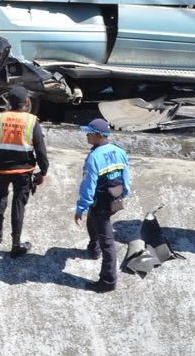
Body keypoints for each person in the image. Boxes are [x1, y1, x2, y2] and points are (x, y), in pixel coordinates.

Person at [0, 87, 49, 255]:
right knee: (18, 205)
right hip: (23, 171)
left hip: (1, 169)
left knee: (0, 197)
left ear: (9, 103)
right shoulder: (32, 121)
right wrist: (43, 172)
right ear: (26, 103)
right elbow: (40, 150)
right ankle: (15, 245)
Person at [74, 118, 131, 293]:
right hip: (114, 199)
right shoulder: (119, 151)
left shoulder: (94, 158)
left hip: (100, 202)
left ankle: (108, 281)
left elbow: (88, 186)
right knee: (94, 221)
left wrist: (81, 207)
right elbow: (126, 178)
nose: (86, 135)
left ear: (99, 135)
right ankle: (94, 248)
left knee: (108, 243)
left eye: (89, 132)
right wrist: (123, 195)